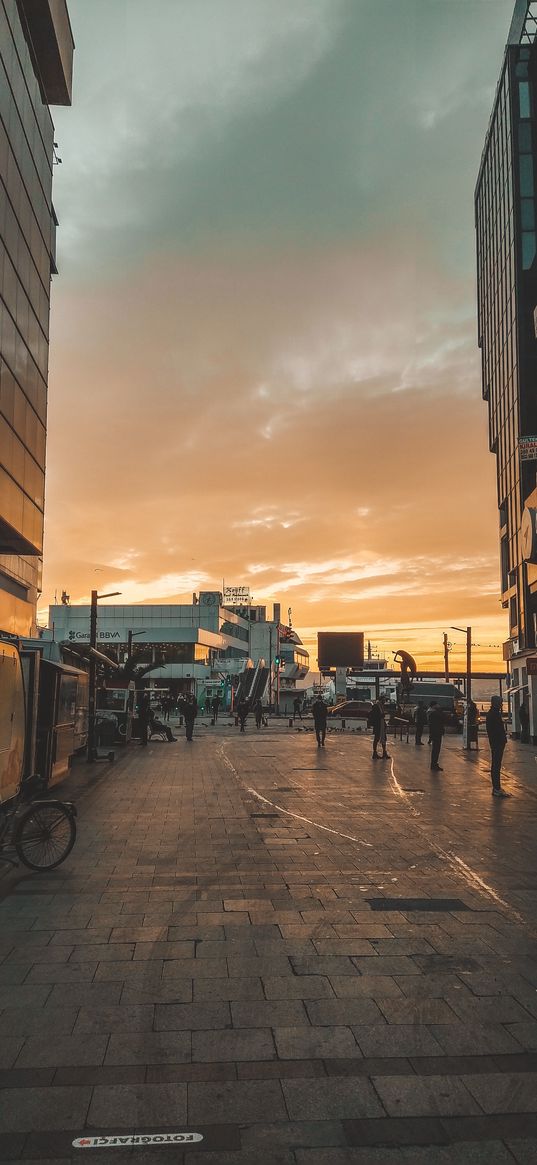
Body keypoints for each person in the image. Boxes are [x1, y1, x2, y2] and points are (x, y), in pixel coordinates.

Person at [486, 695, 511, 797]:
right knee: (496, 765)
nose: (501, 704)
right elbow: (496, 729)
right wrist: (502, 739)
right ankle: (496, 788)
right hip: (497, 742)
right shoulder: (494, 714)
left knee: (496, 765)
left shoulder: (492, 713)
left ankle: (496, 787)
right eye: (500, 702)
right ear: (496, 703)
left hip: (495, 742)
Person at [428, 700, 445, 771]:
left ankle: (434, 764)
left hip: (434, 733)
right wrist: (439, 709)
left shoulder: (430, 712)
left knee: (435, 749)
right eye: (437, 704)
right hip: (437, 733)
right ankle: (434, 764)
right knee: (436, 749)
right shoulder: (434, 713)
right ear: (434, 705)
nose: (438, 705)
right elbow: (443, 717)